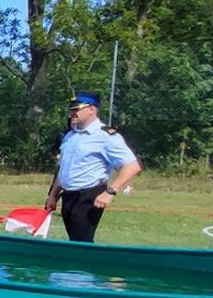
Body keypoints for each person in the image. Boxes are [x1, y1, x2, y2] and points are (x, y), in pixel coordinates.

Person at [43, 91, 141, 243]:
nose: (72, 113)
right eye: (71, 109)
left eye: (76, 109)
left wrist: (110, 192)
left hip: (89, 195)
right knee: (75, 241)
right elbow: (63, 168)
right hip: (68, 196)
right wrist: (53, 195)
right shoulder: (70, 135)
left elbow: (132, 166)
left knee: (81, 242)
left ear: (91, 109)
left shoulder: (106, 136)